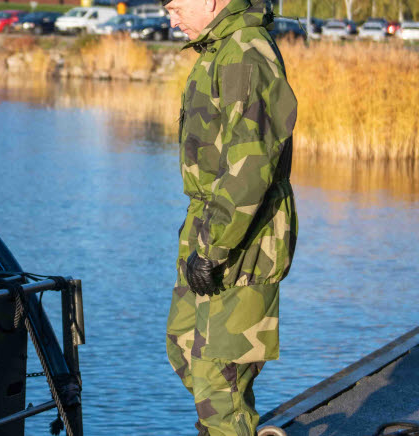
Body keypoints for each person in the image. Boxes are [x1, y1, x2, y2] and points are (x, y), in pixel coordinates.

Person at [163, 0, 298, 433]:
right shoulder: (217, 49)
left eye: (176, 8)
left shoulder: (244, 51)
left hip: (242, 237)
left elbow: (250, 165)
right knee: (185, 348)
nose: (172, 19)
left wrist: (213, 247)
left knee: (219, 378)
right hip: (209, 224)